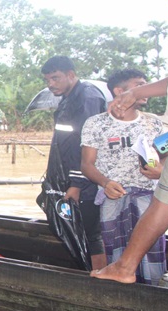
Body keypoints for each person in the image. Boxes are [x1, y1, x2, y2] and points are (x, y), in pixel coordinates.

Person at [81, 69, 167, 284]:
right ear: (119, 91)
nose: (144, 89)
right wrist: (105, 182)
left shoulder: (155, 123)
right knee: (116, 253)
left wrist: (161, 171)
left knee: (153, 253)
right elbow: (87, 164)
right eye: (138, 84)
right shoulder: (96, 123)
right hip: (113, 198)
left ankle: (155, 296)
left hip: (151, 199)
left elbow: (166, 156)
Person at [41, 56, 107, 269]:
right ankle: (89, 271)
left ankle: (98, 277)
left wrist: (77, 184)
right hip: (74, 175)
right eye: (47, 80)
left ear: (71, 75)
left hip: (87, 177)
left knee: (90, 231)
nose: (51, 84)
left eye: (55, 78)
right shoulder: (68, 99)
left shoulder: (86, 97)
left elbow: (87, 143)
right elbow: (65, 144)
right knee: (81, 228)